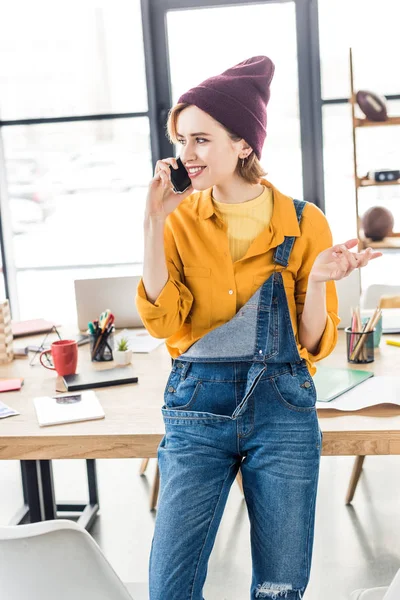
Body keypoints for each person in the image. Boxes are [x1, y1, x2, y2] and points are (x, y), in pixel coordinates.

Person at [136, 56, 382, 600]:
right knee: (169, 588)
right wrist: (154, 221)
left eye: (201, 140)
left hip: (284, 411)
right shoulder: (177, 217)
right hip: (196, 411)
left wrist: (317, 281)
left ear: (243, 144)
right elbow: (163, 320)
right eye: (181, 141)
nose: (186, 155)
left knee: (279, 589)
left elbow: (313, 344)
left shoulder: (304, 221)